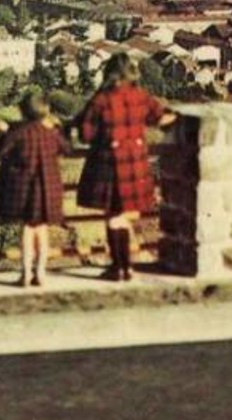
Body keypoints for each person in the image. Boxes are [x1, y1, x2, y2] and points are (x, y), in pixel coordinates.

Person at [73, 54, 176, 281]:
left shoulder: (101, 99)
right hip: (135, 165)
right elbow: (161, 118)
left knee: (113, 217)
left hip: (108, 164)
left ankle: (119, 267)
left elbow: (86, 134)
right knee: (123, 217)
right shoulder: (141, 96)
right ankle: (127, 267)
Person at [0, 90, 71, 288]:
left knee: (27, 230)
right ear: (46, 111)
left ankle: (25, 274)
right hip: (47, 189)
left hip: (23, 188)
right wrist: (60, 129)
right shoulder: (50, 133)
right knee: (42, 231)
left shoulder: (19, 132)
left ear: (23, 112)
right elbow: (67, 148)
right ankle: (40, 273)